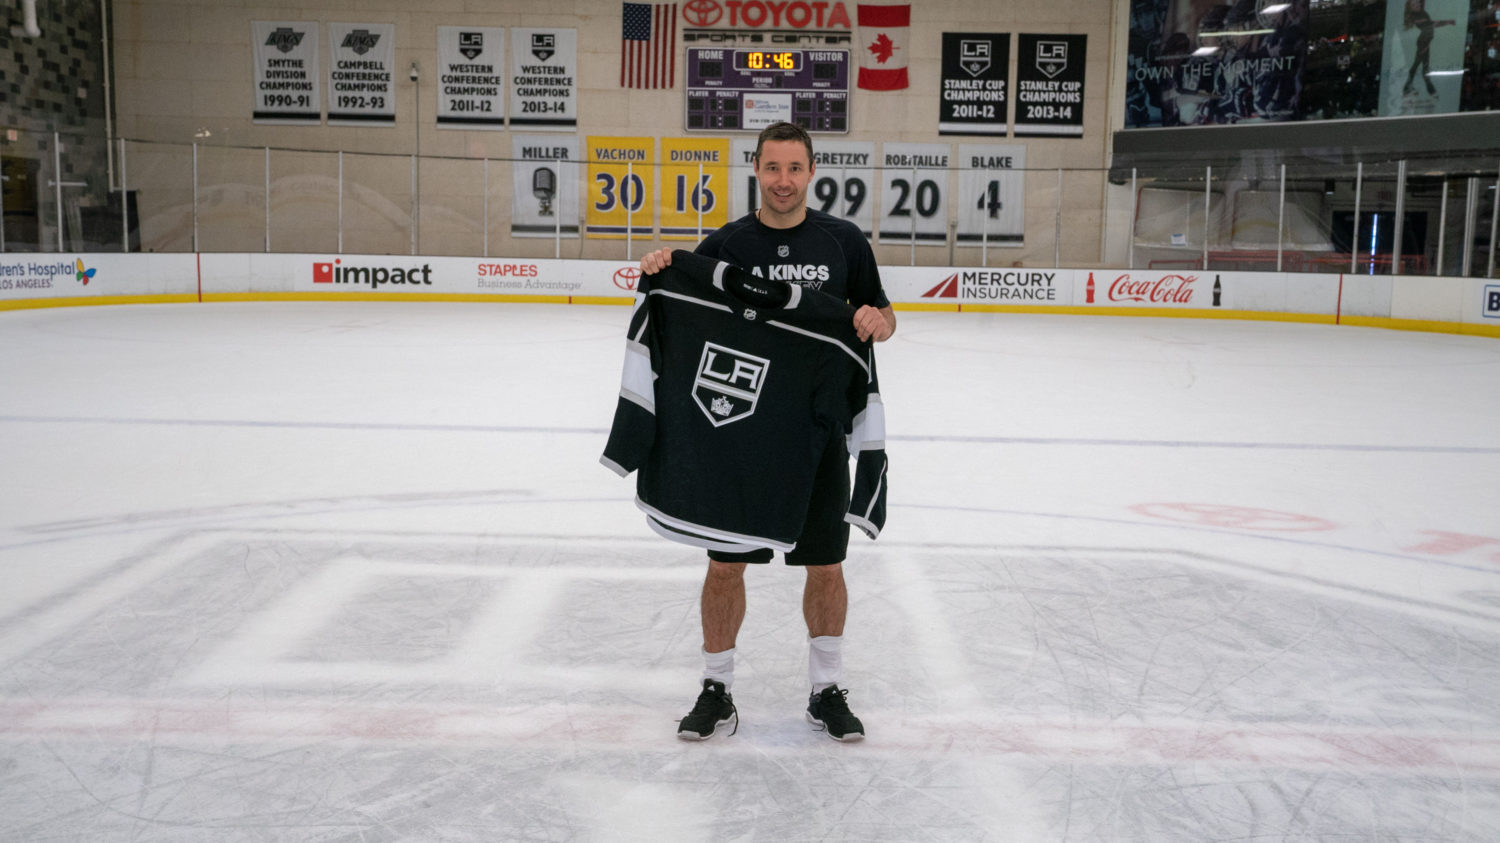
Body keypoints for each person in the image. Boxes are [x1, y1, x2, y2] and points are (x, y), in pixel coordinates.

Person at [638, 121, 896, 742]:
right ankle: (715, 689)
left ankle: (825, 690)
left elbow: (885, 317)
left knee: (827, 565)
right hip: (741, 442)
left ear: (812, 172)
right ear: (756, 169)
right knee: (725, 567)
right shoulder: (727, 244)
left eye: (795, 168)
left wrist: (876, 321)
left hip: (818, 435)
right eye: (772, 168)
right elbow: (687, 308)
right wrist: (661, 267)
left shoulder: (843, 243)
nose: (783, 181)